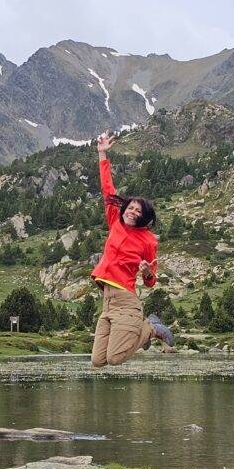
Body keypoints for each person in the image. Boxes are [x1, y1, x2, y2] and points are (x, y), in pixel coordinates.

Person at [90, 132, 173, 368]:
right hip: (107, 303)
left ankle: (151, 329)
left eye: (138, 211)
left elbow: (150, 281)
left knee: (115, 359)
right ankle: (145, 331)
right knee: (98, 361)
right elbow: (107, 188)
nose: (133, 212)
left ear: (144, 216)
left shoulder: (148, 241)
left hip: (126, 302)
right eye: (131, 208)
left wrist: (146, 271)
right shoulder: (115, 221)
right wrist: (102, 153)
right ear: (125, 208)